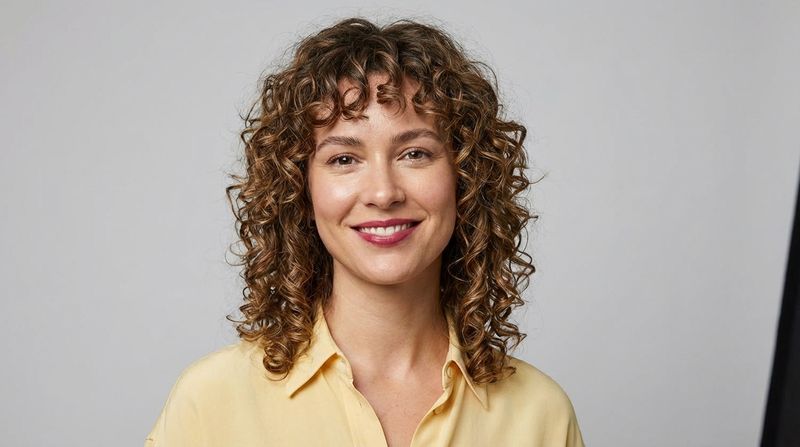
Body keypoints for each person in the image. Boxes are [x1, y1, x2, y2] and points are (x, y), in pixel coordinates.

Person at [145, 17, 584, 447]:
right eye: (343, 159)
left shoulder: (539, 415)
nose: (382, 192)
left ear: (465, 178)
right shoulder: (211, 403)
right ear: (300, 187)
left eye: (414, 153)